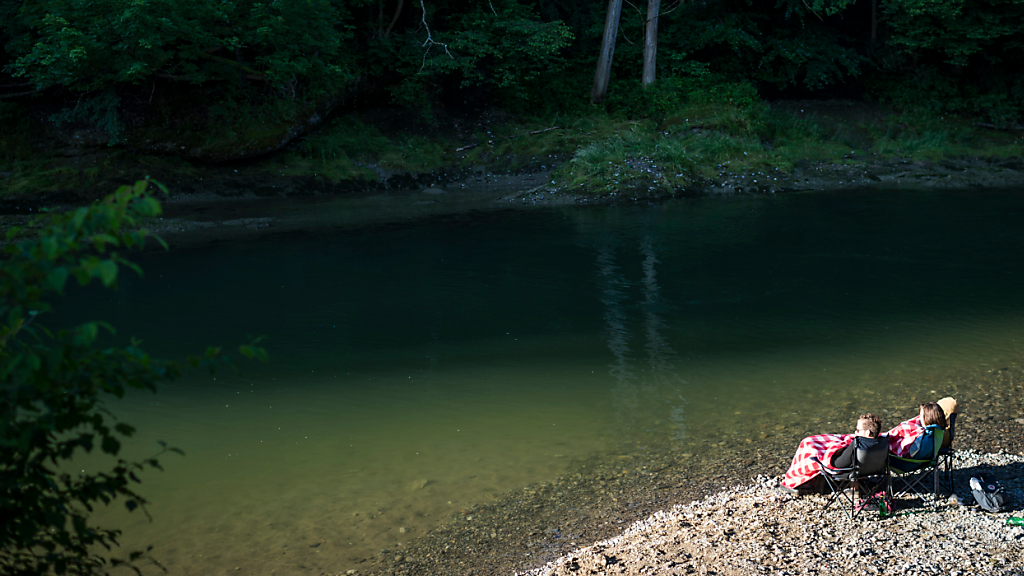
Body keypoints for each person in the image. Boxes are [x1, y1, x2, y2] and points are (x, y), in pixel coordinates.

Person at [780, 413, 883, 495]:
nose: (855, 432)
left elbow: (839, 465)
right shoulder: (881, 443)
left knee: (813, 451)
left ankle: (800, 481)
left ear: (867, 433)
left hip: (849, 471)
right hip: (867, 470)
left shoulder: (857, 443)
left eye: (858, 430)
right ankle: (855, 486)